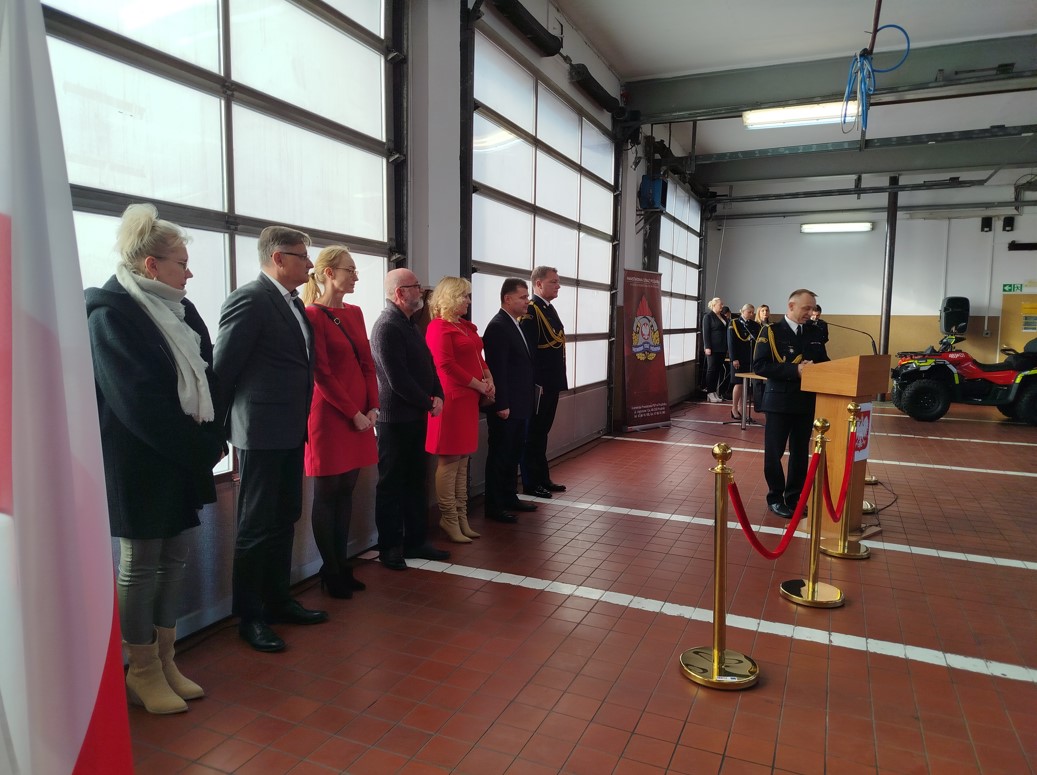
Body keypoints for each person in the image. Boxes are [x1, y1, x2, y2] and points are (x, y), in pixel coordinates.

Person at [86, 203, 225, 714]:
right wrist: (200, 448)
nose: (189, 273)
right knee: (140, 564)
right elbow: (136, 401)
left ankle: (167, 660)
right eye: (181, 263)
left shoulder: (180, 309)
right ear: (151, 265)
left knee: (175, 556)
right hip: (139, 459)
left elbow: (210, 372)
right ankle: (141, 669)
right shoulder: (111, 313)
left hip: (181, 455)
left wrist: (213, 438)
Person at [214, 226, 328, 653]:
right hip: (259, 433)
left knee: (284, 517)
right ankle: (250, 617)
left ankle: (279, 601)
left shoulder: (293, 303)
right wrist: (216, 433)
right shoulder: (250, 299)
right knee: (256, 525)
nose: (310, 265)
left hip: (290, 430)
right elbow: (223, 370)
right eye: (302, 256)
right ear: (278, 258)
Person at [300, 246, 377, 598]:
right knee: (328, 492)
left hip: (360, 414)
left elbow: (367, 364)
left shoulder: (356, 313)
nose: (356, 276)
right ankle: (330, 569)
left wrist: (373, 407)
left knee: (347, 490)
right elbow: (321, 373)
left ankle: (341, 564)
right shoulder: (312, 314)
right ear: (329, 273)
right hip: (331, 415)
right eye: (350, 270)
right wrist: (353, 413)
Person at [370, 269, 450, 568]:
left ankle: (416, 541)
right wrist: (428, 402)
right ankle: (390, 547)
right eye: (416, 286)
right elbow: (397, 379)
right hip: (394, 420)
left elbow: (429, 365)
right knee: (391, 484)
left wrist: (438, 393)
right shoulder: (386, 326)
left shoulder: (410, 324)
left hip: (415, 415)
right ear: (400, 293)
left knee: (416, 480)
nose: (422, 291)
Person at [425, 276, 496, 541]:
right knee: (449, 460)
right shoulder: (438, 327)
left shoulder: (465, 326)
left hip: (468, 399)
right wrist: (479, 385)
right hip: (452, 400)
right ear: (451, 297)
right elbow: (445, 365)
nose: (468, 300)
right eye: (464, 296)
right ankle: (449, 518)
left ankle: (461, 517)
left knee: (463, 459)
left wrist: (489, 379)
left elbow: (479, 357)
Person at [752, 289, 830, 518]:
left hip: (805, 401)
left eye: (812, 308)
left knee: (799, 453)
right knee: (774, 453)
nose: (811, 313)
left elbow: (824, 362)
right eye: (806, 308)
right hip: (779, 401)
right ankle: (775, 498)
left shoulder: (814, 332)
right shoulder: (772, 331)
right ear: (791, 306)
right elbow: (760, 365)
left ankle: (794, 497)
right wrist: (795, 370)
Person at [482, 278, 537, 524]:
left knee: (513, 453)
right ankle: (494, 505)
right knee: (500, 455)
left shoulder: (515, 323)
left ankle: (509, 496)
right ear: (507, 299)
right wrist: (501, 403)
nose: (527, 301)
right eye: (523, 297)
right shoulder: (498, 326)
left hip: (520, 403)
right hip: (506, 406)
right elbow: (498, 370)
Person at [520, 266, 568, 498]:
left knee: (542, 433)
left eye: (558, 281)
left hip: (551, 382)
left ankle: (542, 477)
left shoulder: (548, 308)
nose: (558, 286)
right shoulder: (531, 310)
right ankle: (531, 482)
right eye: (553, 282)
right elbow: (530, 353)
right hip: (540, 385)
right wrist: (534, 385)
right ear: (538, 284)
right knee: (533, 434)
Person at [727, 303, 759, 420]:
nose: (751, 314)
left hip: (749, 358)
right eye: (749, 312)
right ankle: (734, 408)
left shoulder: (754, 325)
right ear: (743, 311)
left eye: (752, 312)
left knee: (745, 384)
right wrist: (733, 358)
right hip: (738, 358)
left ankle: (742, 409)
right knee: (739, 383)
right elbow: (731, 342)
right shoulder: (734, 323)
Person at [701, 297, 728, 403]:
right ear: (714, 305)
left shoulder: (723, 316)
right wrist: (707, 347)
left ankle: (714, 391)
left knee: (718, 370)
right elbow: (706, 333)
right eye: (720, 304)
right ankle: (710, 391)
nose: (722, 306)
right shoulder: (708, 317)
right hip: (712, 348)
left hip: (722, 347)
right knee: (711, 369)